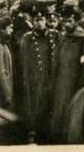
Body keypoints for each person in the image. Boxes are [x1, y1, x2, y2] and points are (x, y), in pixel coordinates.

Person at [51, 6, 84, 143]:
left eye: (69, 21)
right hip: (61, 85)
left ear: (76, 21)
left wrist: (81, 88)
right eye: (64, 21)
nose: (66, 24)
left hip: (75, 85)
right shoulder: (62, 38)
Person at [20, 9, 58, 143]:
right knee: (36, 105)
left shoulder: (54, 36)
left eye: (42, 20)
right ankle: (35, 131)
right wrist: (26, 81)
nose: (40, 23)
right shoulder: (28, 38)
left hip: (51, 78)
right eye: (37, 20)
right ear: (32, 21)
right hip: (36, 79)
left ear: (46, 21)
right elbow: (24, 63)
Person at [0, 17, 14, 111]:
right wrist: (7, 95)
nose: (12, 30)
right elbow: (1, 73)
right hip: (3, 94)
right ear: (2, 30)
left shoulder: (4, 45)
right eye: (10, 28)